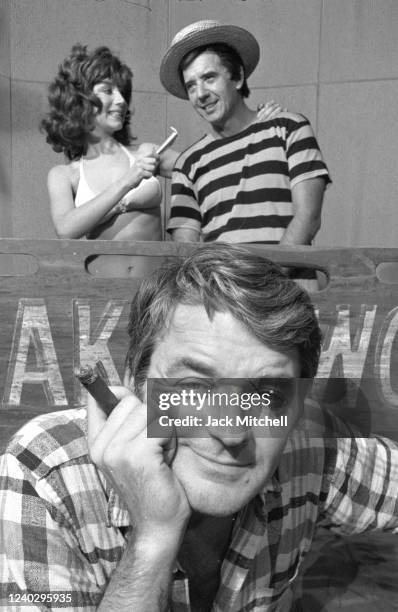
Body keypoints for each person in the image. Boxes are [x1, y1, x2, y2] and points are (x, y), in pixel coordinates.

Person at [1, 243, 397, 611]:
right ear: (136, 384)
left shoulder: (308, 444)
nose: (231, 432)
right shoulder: (44, 476)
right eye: (194, 387)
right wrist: (153, 539)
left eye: (268, 393)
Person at [41, 43, 284, 277]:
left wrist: (253, 124)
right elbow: (66, 230)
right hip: (100, 294)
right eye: (108, 91)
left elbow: (212, 167)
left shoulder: (147, 153)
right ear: (78, 100)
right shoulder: (64, 175)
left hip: (153, 291)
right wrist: (128, 181)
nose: (121, 100)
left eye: (122, 92)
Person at [160, 21, 331, 253]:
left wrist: (264, 281)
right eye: (191, 86)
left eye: (209, 78)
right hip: (224, 288)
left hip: (285, 287)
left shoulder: (289, 129)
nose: (200, 94)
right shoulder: (188, 163)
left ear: (238, 77)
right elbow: (185, 247)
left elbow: (308, 218)